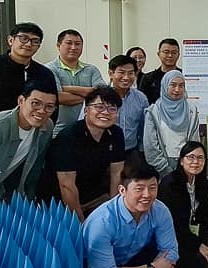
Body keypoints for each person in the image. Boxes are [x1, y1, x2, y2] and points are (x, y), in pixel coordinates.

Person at [41, 86, 126, 220]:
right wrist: (81, 222)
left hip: (94, 197)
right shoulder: (68, 137)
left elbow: (117, 174)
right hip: (59, 201)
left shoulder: (116, 133)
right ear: (86, 110)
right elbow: (67, 186)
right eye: (99, 107)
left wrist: (115, 212)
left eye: (112, 109)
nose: (105, 112)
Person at [157, 140, 208, 268]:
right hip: (173, 234)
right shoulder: (170, 184)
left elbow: (205, 206)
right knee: (199, 262)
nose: (195, 162)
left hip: (191, 229)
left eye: (200, 158)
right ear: (181, 161)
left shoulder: (199, 181)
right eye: (190, 157)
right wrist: (198, 245)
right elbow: (174, 224)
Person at [0, 22, 58, 118]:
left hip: (34, 129)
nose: (29, 44)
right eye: (23, 38)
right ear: (11, 40)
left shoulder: (45, 74)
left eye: (35, 41)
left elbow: (52, 105)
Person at [46, 29, 106, 135]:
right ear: (58, 45)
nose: (73, 47)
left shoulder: (91, 69)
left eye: (77, 44)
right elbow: (57, 97)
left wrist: (66, 88)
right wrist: (89, 97)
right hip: (58, 130)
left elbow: (102, 94)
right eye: (69, 43)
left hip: (89, 130)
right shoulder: (49, 69)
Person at [142, 70, 201, 176]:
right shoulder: (153, 111)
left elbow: (194, 142)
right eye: (173, 85)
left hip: (186, 166)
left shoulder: (191, 110)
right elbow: (150, 146)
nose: (177, 90)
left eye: (181, 85)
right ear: (165, 86)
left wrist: (189, 165)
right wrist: (165, 169)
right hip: (162, 168)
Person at [107, 54, 150, 164]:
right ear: (111, 73)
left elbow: (143, 128)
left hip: (131, 153)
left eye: (130, 73)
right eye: (121, 72)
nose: (126, 77)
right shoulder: (99, 97)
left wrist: (141, 153)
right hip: (104, 152)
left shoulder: (141, 98)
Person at [139, 38, 182, 104]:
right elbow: (142, 102)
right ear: (158, 54)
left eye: (174, 52)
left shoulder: (184, 76)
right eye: (166, 52)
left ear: (178, 55)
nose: (170, 55)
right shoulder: (148, 78)